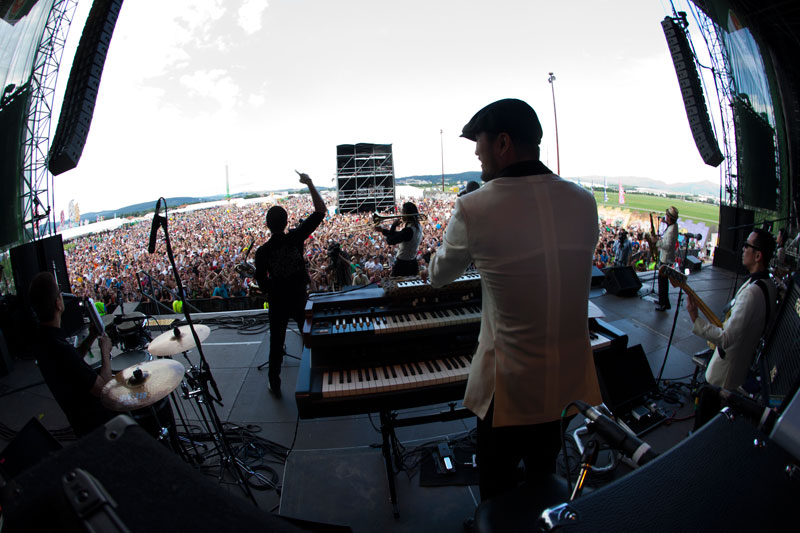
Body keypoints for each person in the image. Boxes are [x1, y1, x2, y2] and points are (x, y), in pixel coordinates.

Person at [428, 98, 601, 502]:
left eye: (479, 143)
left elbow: (438, 275)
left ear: (503, 143)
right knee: (544, 477)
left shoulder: (474, 207)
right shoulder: (584, 201)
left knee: (497, 492)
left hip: (507, 391)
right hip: (566, 385)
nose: (476, 153)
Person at [255, 172, 326, 398]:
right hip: (298, 296)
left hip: (277, 301)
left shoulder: (262, 252)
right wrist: (309, 183)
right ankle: (317, 375)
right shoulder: (296, 237)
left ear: (267, 225)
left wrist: (274, 287)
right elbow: (320, 211)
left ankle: (274, 383)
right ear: (287, 222)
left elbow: (262, 282)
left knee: (276, 343)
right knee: (308, 337)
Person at [688, 229, 778, 390]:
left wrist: (696, 319)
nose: (743, 249)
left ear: (758, 256)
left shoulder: (751, 293)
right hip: (741, 367)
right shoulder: (769, 285)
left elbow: (726, 339)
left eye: (747, 245)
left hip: (725, 375)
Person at [28, 272, 116, 437]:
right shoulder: (60, 348)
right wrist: (105, 351)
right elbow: (104, 390)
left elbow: (71, 362)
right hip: (98, 425)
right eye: (59, 291)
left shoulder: (44, 338)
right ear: (58, 304)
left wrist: (90, 338)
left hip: (79, 422)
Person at [376, 202, 423, 277]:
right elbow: (398, 235)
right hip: (413, 263)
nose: (401, 214)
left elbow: (390, 241)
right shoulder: (418, 227)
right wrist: (382, 230)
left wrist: (393, 226)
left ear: (406, 214)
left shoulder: (408, 230)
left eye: (402, 212)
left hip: (403, 265)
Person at [654, 206, 679, 312]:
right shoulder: (673, 226)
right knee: (662, 281)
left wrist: (657, 242)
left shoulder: (671, 230)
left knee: (663, 282)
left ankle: (664, 303)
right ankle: (663, 301)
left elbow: (668, 246)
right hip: (666, 257)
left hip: (665, 258)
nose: (666, 217)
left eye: (667, 216)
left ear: (670, 218)